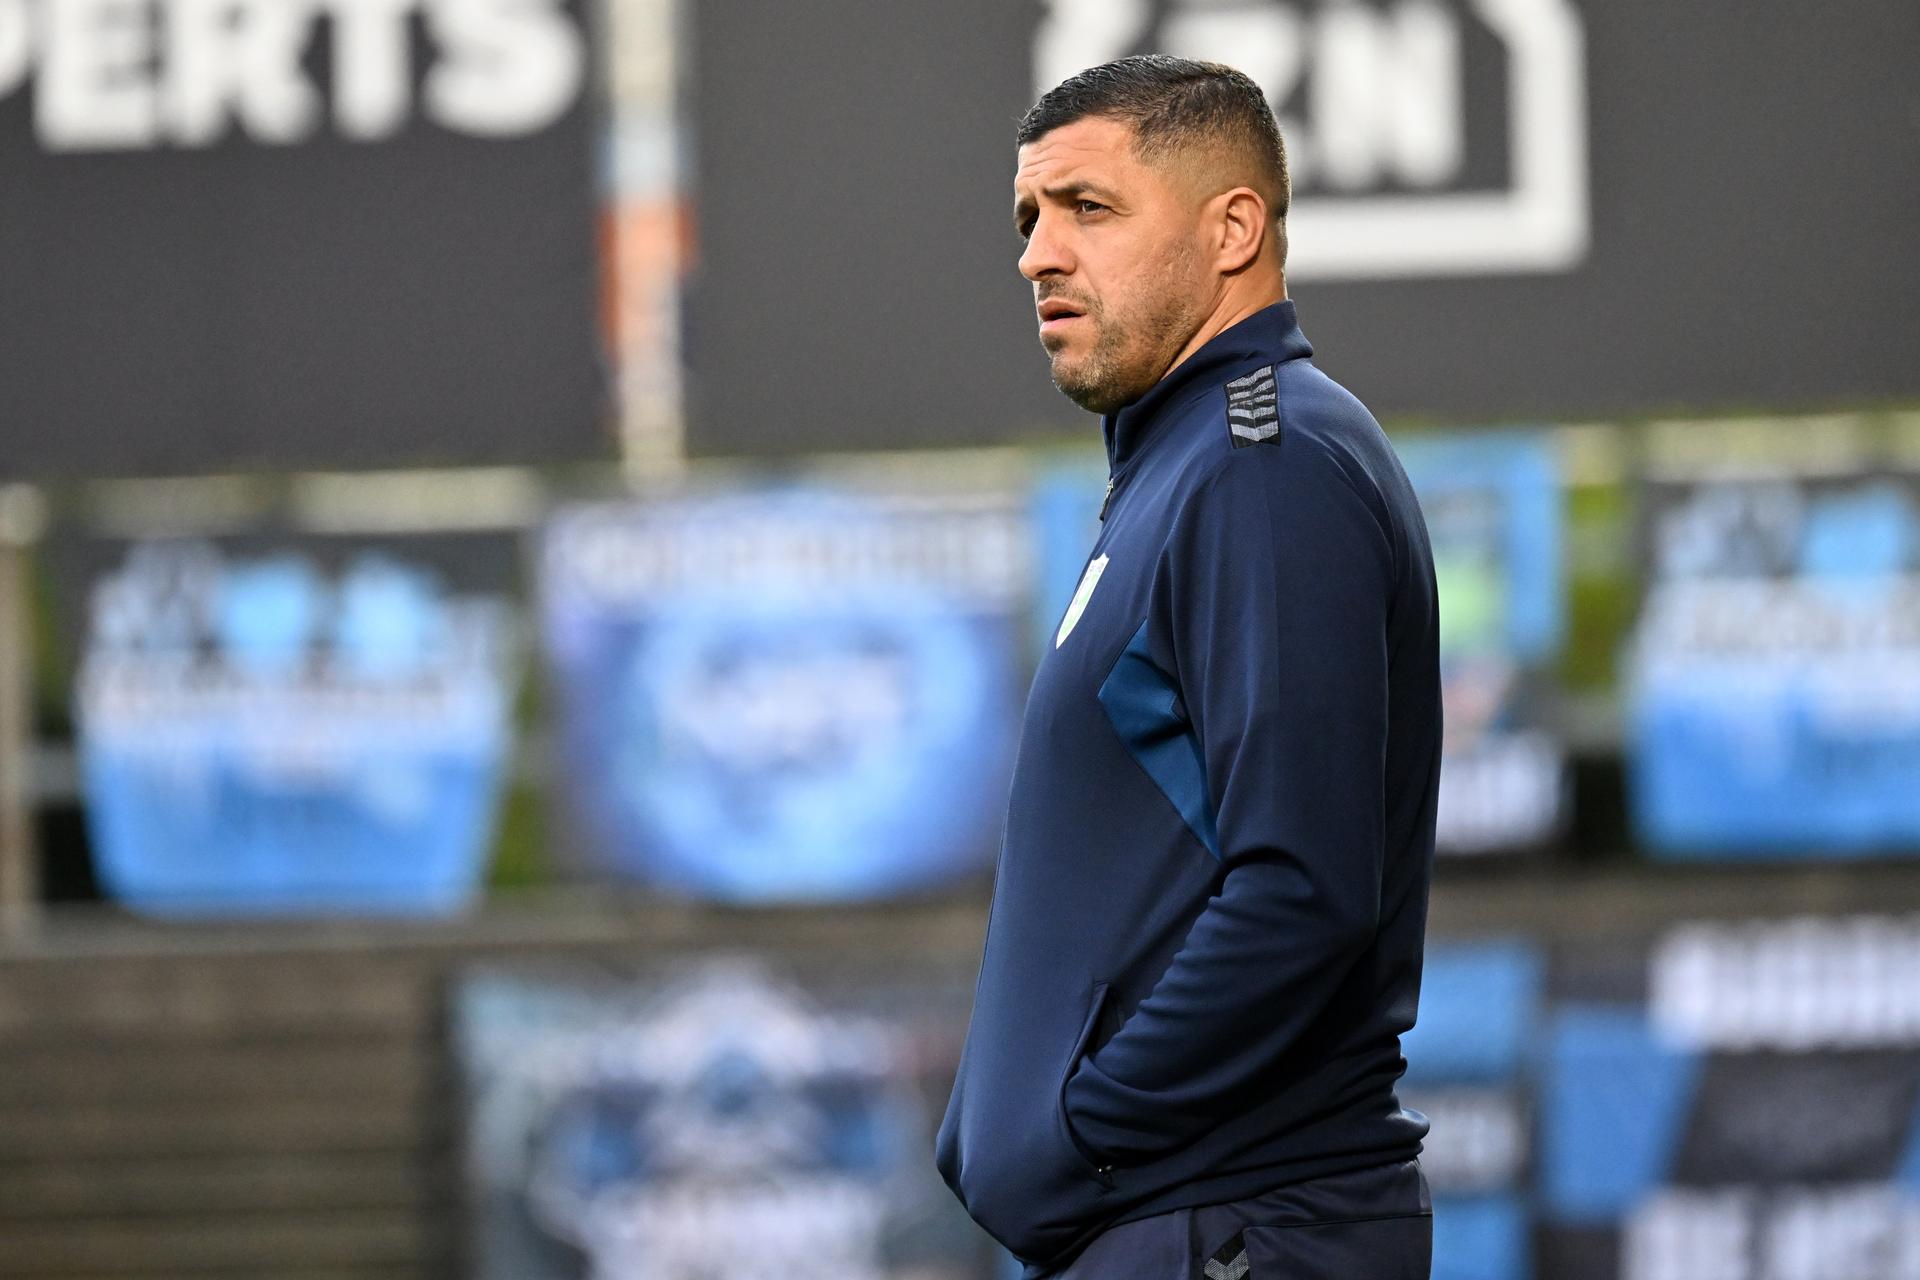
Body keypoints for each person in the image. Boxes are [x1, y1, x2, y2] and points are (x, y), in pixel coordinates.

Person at [934, 56, 1441, 1279]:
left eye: (1087, 208)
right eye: (1028, 218)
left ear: (1233, 229)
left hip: (1229, 1229)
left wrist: (1081, 1133)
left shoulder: (1264, 466)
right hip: (1185, 1225)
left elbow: (1303, 888)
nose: (1039, 255)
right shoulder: (1186, 467)